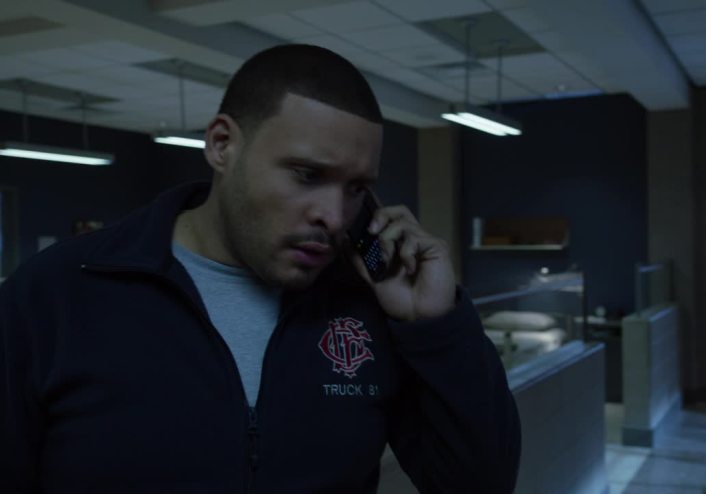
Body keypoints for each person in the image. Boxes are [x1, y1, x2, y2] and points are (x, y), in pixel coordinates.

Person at [0, 44, 520, 493]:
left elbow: (477, 484)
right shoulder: (58, 292)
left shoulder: (365, 303)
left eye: (356, 188)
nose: (335, 215)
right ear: (222, 145)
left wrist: (437, 326)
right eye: (307, 174)